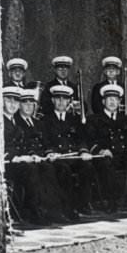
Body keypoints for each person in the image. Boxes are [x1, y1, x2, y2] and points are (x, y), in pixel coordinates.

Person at [3, 86, 68, 225]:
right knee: (31, 170)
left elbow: (25, 144)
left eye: (15, 101)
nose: (13, 105)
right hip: (7, 164)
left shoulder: (14, 121)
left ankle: (51, 210)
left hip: (21, 160)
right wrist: (17, 157)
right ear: (2, 102)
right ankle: (34, 212)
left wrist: (32, 155)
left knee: (46, 167)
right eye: (9, 101)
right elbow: (1, 147)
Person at [39, 83, 95, 218]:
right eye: (57, 99)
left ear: (69, 101)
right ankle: (67, 207)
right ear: (52, 100)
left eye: (64, 99)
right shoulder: (45, 120)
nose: (61, 102)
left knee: (87, 167)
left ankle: (82, 203)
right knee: (64, 171)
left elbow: (81, 139)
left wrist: (83, 151)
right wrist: (50, 152)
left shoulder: (74, 119)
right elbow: (44, 141)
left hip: (74, 156)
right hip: (57, 158)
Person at [85, 83, 127, 213]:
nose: (112, 102)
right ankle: (111, 201)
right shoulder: (94, 119)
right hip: (105, 155)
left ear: (119, 101)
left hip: (123, 154)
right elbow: (90, 140)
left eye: (115, 99)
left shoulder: (126, 119)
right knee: (106, 165)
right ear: (103, 101)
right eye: (109, 99)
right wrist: (100, 150)